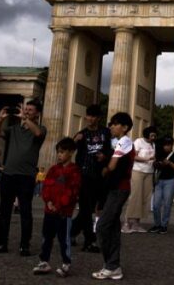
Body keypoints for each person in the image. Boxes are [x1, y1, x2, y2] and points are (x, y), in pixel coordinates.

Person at [0, 98, 46, 256]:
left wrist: (26, 119)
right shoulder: (13, 129)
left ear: (37, 114)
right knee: (4, 211)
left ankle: (24, 245)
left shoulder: (41, 129)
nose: (26, 111)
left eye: (30, 110)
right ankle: (1, 243)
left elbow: (38, 133)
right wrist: (0, 119)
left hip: (26, 176)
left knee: (25, 211)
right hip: (8, 174)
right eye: (26, 109)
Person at [92, 111, 135, 281]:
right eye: (111, 123)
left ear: (124, 127)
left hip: (118, 189)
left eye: (115, 123)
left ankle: (111, 265)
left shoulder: (124, 141)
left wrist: (105, 168)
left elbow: (111, 166)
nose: (111, 126)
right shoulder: (120, 142)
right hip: (117, 188)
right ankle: (113, 266)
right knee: (113, 228)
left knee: (102, 226)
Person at [34, 137, 81, 277]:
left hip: (63, 212)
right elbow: (46, 187)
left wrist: (59, 205)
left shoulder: (74, 171)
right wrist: (48, 201)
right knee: (46, 236)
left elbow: (72, 192)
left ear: (71, 152)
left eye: (62, 152)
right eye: (58, 152)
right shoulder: (53, 169)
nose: (59, 155)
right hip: (49, 210)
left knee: (63, 239)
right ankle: (44, 261)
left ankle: (66, 263)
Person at [72, 104, 111, 253]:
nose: (90, 119)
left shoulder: (106, 133)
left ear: (99, 118)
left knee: (87, 209)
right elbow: (66, 149)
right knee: (86, 208)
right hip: (84, 174)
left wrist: (105, 157)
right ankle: (90, 241)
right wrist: (75, 139)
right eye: (89, 115)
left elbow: (110, 149)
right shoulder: (81, 134)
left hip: (100, 175)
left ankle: (71, 232)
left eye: (94, 116)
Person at [123, 125, 156, 233]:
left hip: (149, 172)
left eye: (155, 135)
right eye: (152, 135)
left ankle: (136, 224)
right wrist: (146, 159)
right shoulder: (138, 142)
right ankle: (127, 223)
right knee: (135, 197)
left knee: (144, 198)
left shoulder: (153, 144)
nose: (154, 137)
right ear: (147, 134)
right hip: (138, 171)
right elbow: (133, 156)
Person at [149, 136, 174, 234]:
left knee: (167, 204)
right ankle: (157, 224)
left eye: (168, 145)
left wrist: (169, 163)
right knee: (155, 204)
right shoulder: (159, 154)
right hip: (159, 180)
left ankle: (164, 225)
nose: (166, 147)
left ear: (172, 145)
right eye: (165, 145)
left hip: (170, 181)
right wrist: (157, 164)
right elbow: (154, 164)